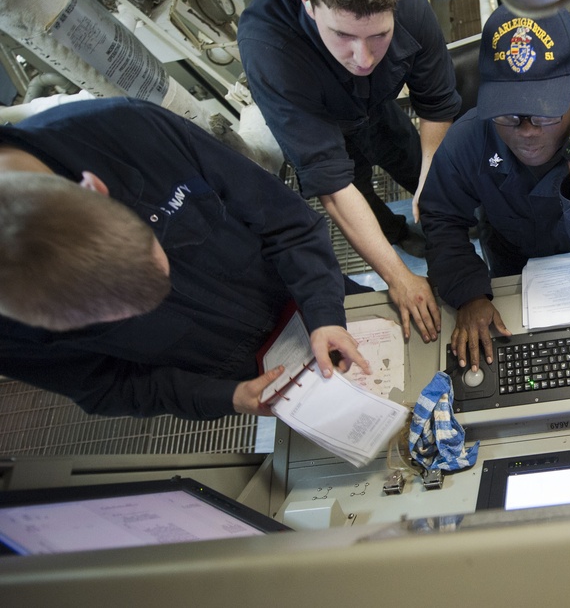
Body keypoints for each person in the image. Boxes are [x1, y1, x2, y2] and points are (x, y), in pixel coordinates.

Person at [0, 97, 370, 420]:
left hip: (317, 297)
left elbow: (285, 220)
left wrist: (324, 310)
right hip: (247, 374)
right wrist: (226, 397)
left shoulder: (127, 130)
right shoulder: (8, 336)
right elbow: (104, 385)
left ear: (96, 188)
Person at [237, 0, 462, 344]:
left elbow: (437, 105)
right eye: (342, 35)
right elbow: (333, 186)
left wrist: (432, 177)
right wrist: (398, 278)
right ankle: (396, 234)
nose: (362, 58)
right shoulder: (269, 47)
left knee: (416, 162)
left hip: (381, 112)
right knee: (359, 193)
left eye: (379, 36)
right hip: (323, 130)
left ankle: (445, 217)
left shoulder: (410, 3)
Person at [419, 5, 570, 372]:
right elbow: (440, 215)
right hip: (510, 267)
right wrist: (469, 292)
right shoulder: (469, 139)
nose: (526, 131)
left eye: (544, 113)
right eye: (509, 114)